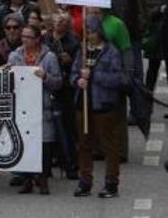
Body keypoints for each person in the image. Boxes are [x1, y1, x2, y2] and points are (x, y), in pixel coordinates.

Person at [72, 16, 125, 198]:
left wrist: (93, 76)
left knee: (109, 145)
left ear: (100, 32)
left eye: (92, 31)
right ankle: (85, 181)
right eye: (86, 32)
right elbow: (73, 73)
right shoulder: (82, 50)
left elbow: (117, 79)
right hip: (83, 104)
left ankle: (111, 183)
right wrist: (77, 80)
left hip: (103, 105)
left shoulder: (111, 52)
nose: (89, 35)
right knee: (84, 145)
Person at [8, 25, 62, 195]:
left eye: (29, 37)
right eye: (23, 36)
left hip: (42, 106)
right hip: (23, 107)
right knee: (24, 144)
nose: (24, 40)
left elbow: (58, 82)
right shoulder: (15, 56)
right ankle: (27, 180)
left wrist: (45, 77)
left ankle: (43, 179)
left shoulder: (49, 57)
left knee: (44, 144)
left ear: (38, 39)